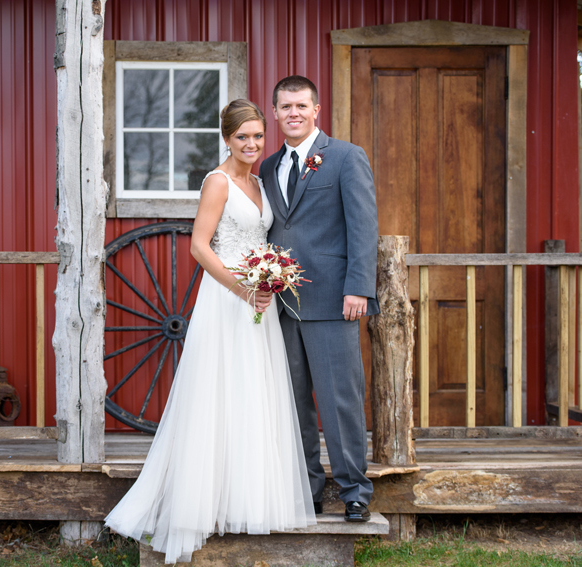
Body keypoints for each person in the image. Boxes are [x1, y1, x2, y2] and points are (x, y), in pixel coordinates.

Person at [104, 99, 316, 564]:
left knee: (255, 393)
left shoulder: (259, 182)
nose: (252, 144)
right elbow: (200, 247)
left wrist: (269, 282)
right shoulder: (218, 183)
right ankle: (205, 500)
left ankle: (250, 497)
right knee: (220, 392)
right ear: (226, 139)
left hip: (260, 300)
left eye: (259, 136)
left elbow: (263, 241)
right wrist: (243, 289)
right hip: (227, 301)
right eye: (243, 137)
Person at [259, 75, 379, 522]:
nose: (293, 113)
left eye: (301, 106)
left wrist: (359, 287)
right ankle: (306, 488)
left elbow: (364, 225)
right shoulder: (269, 167)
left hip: (334, 298)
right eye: (285, 106)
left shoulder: (346, 157)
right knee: (293, 403)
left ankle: (354, 492)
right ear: (275, 113)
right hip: (282, 304)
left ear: (316, 110)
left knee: (339, 398)